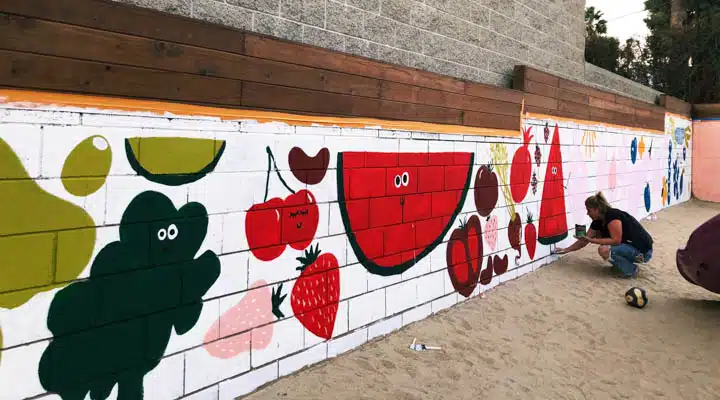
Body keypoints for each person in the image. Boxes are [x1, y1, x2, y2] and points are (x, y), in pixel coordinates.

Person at [554, 192, 654, 278]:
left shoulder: (612, 215)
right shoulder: (597, 221)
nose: (587, 213)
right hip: (631, 247)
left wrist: (592, 240)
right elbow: (584, 241)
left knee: (604, 250)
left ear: (596, 209)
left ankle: (631, 270)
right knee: (604, 247)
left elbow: (616, 240)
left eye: (589, 210)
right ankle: (622, 266)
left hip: (643, 251)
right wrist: (567, 249)